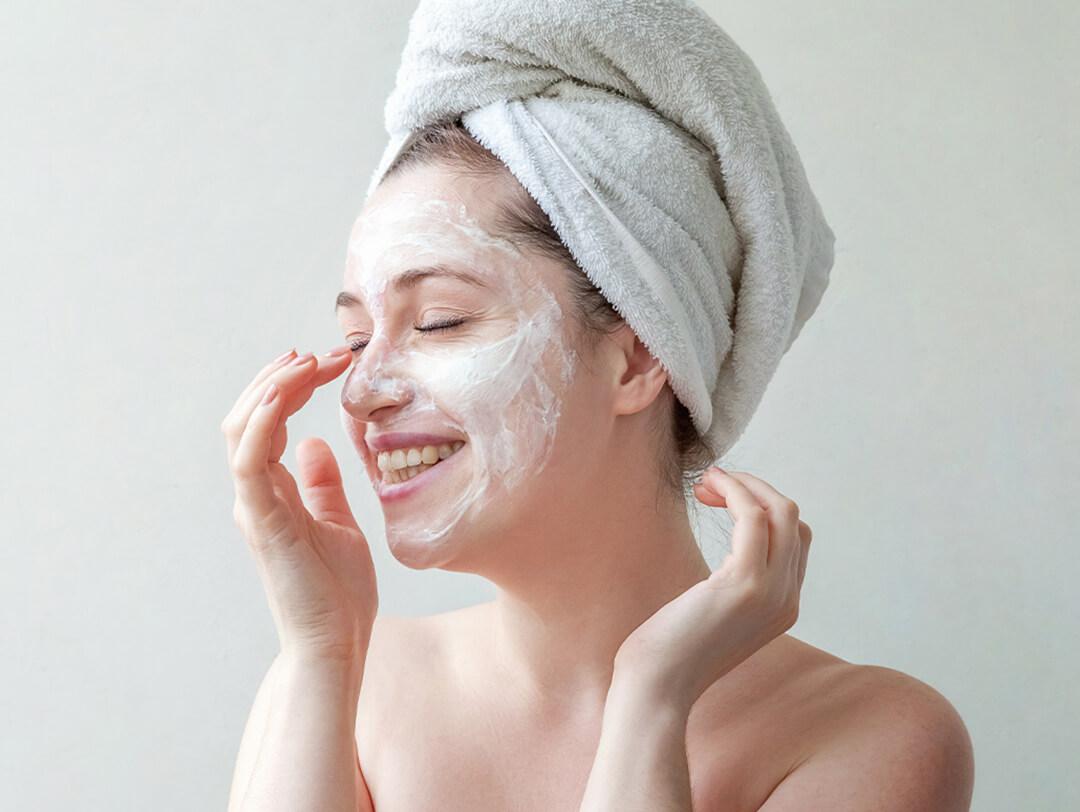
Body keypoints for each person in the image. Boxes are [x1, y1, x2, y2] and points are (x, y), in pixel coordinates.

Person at [221, 119, 974, 811]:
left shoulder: (866, 733)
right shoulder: (346, 682)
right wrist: (321, 651)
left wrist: (652, 699)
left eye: (439, 321)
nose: (360, 391)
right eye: (355, 341)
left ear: (637, 357)